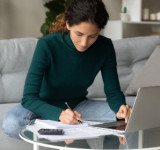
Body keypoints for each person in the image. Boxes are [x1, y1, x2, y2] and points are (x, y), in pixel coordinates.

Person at [2, 0, 132, 139]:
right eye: (79, 34)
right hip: (41, 107)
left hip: (78, 106)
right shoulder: (47, 44)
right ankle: (66, 126)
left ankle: (68, 128)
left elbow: (113, 92)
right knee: (12, 123)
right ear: (68, 24)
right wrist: (59, 115)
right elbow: (29, 99)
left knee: (129, 118)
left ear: (99, 31)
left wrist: (121, 108)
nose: (84, 43)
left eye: (92, 36)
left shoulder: (105, 46)